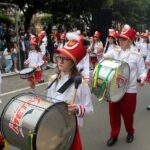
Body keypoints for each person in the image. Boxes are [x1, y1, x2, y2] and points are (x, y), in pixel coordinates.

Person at [103, 27, 147, 146]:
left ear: (130, 41)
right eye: (120, 39)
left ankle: (130, 132)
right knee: (113, 114)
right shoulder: (115, 51)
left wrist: (142, 79)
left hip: (130, 90)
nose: (121, 41)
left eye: (124, 39)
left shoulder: (137, 55)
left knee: (128, 115)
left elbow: (142, 71)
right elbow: (103, 58)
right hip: (114, 89)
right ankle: (114, 135)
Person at [47, 39, 93, 150]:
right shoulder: (52, 80)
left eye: (65, 59)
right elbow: (48, 103)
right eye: (59, 57)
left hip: (70, 128)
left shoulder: (81, 84)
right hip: (54, 127)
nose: (60, 61)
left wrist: (77, 109)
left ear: (72, 63)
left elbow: (90, 110)